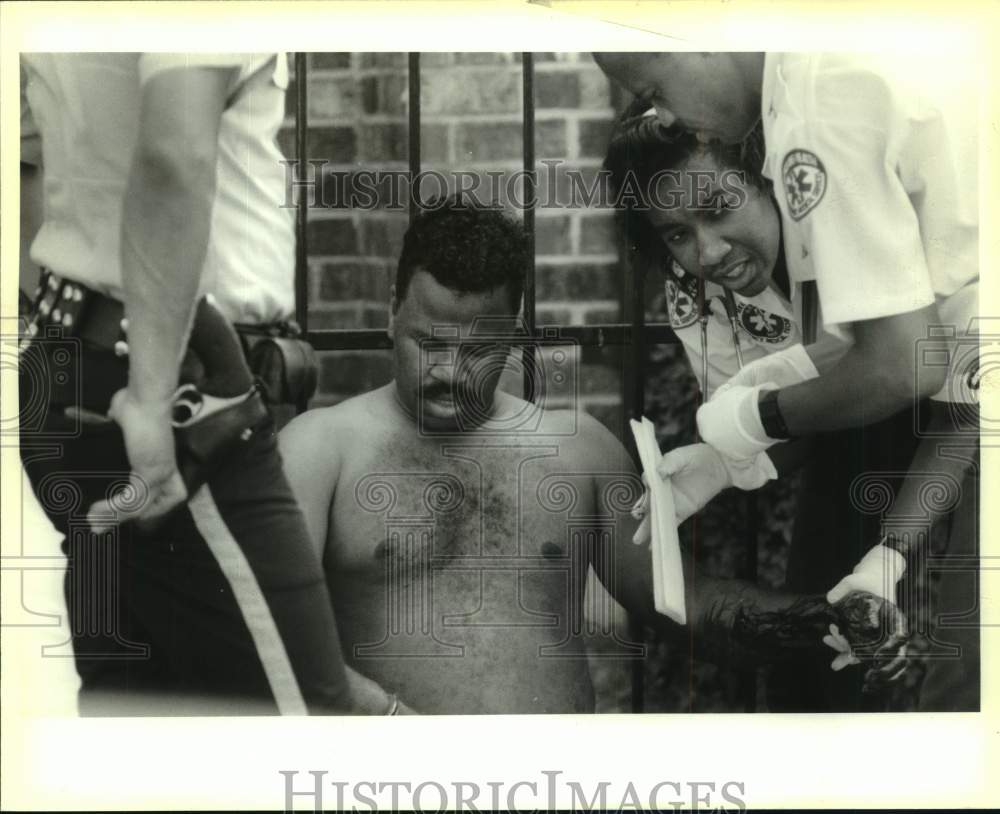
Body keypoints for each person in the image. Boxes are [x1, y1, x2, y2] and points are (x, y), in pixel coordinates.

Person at [278, 198, 910, 714]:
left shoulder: (577, 451)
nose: (448, 372)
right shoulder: (319, 450)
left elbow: (692, 607)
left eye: (476, 350)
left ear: (514, 336)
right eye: (427, 343)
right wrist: (384, 722)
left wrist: (829, 617)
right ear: (392, 316)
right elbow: (263, 633)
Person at [595, 52, 980, 711]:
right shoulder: (698, 299)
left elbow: (930, 386)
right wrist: (726, 462)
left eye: (720, 207)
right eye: (677, 236)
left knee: (967, 667)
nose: (709, 251)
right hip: (877, 412)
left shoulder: (824, 159)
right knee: (830, 654)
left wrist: (747, 427)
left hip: (945, 387)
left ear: (762, 176)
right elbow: (819, 408)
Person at [18, 53, 397, 715]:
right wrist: (151, 395)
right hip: (172, 394)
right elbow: (173, 154)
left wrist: (72, 330)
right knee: (302, 730)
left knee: (148, 733)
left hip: (96, 362)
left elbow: (26, 162)